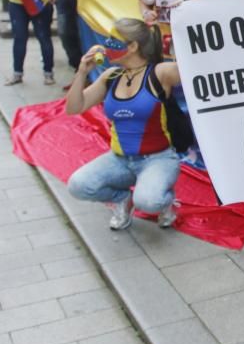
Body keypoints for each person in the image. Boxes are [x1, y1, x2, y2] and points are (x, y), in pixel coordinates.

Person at [65, 19, 182, 230]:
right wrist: (82, 71)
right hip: (119, 160)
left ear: (133, 46)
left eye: (113, 39)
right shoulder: (111, 76)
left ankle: (165, 203)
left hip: (158, 159)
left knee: (148, 202)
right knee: (77, 186)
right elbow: (73, 108)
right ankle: (122, 199)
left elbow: (198, 66)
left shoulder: (161, 73)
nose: (106, 44)